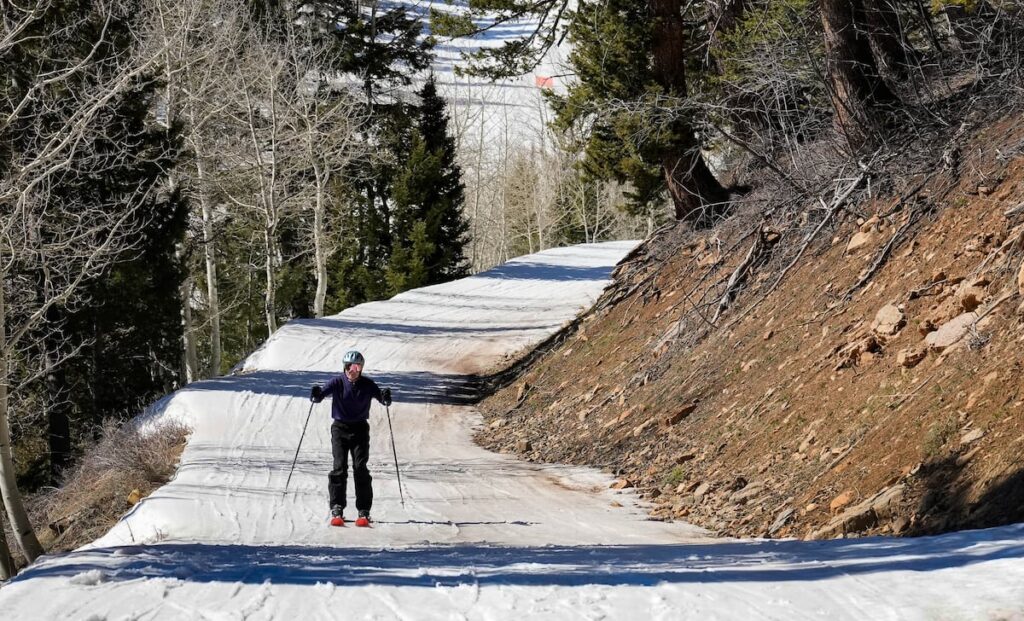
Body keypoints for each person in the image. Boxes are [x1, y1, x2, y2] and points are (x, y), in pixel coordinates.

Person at [310, 350, 391, 527]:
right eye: (348, 366)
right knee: (339, 467)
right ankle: (337, 508)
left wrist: (385, 397)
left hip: (360, 429)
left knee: (360, 468)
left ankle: (364, 511)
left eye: (356, 366)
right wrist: (316, 394)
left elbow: (382, 399)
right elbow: (320, 396)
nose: (352, 370)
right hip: (340, 428)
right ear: (344, 367)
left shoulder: (367, 384)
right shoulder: (337, 382)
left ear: (361, 368)